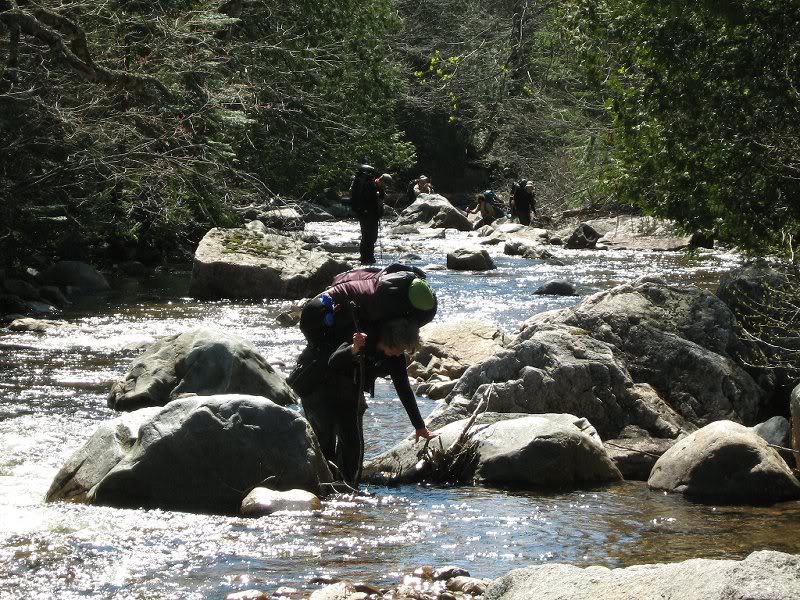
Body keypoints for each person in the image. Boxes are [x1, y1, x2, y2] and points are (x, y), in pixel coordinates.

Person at [288, 264, 439, 485]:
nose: (398, 355)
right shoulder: (361, 334)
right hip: (319, 384)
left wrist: (420, 426)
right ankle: (323, 490)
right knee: (324, 442)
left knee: (353, 446)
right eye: (396, 350)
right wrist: (354, 350)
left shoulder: (393, 354)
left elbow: (403, 386)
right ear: (387, 340)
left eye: (401, 352)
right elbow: (333, 360)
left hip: (350, 390)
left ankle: (348, 491)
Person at [351, 165, 392, 265]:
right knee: (367, 236)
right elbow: (370, 200)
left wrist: (381, 192)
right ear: (381, 180)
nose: (385, 187)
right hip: (366, 214)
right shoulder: (370, 185)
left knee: (372, 236)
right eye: (385, 184)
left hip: (371, 215)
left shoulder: (375, 185)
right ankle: (365, 257)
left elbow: (380, 198)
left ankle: (369, 256)